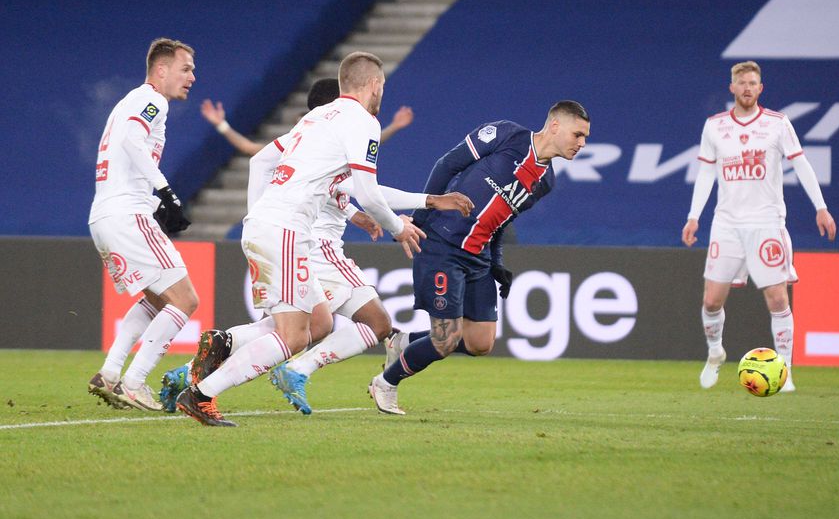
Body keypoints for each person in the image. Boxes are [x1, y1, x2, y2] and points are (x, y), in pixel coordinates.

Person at [159, 79, 471, 415]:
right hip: (309, 242)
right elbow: (367, 189)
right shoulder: (334, 137)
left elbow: (274, 165)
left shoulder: (308, 138)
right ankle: (281, 373)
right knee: (365, 324)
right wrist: (425, 204)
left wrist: (350, 214)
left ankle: (199, 365)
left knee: (311, 325)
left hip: (287, 235)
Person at [368, 101, 591, 415]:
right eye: (578, 134)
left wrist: (497, 262)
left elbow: (503, 219)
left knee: (480, 343)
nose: (581, 143)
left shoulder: (546, 181)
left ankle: (402, 343)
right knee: (445, 339)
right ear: (555, 125)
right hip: (443, 243)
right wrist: (420, 217)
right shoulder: (506, 135)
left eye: (584, 138)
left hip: (479, 256)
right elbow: (447, 165)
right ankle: (386, 382)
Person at [681, 61, 836, 392]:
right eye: (742, 83)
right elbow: (706, 173)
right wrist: (694, 216)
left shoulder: (777, 124)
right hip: (726, 224)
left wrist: (821, 208)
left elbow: (802, 164)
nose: (748, 88)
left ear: (760, 88)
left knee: (778, 298)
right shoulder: (714, 127)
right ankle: (714, 353)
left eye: (753, 83)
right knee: (711, 301)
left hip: (766, 222)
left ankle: (787, 372)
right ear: (732, 88)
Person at [87, 38, 201, 411]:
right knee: (185, 300)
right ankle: (135, 383)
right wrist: (165, 191)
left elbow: (125, 149)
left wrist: (155, 201)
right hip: (126, 213)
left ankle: (110, 372)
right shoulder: (152, 100)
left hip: (105, 214)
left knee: (156, 298)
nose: (192, 77)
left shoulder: (129, 102)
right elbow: (134, 141)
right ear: (162, 69)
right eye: (186, 69)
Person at [201, 96, 415, 156]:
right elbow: (248, 148)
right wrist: (221, 125)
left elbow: (366, 144)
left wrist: (394, 126)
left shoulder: (327, 148)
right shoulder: (287, 148)